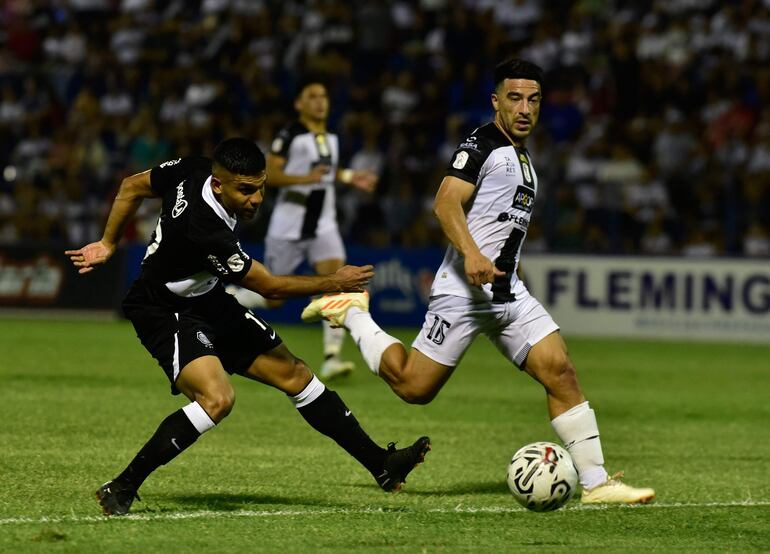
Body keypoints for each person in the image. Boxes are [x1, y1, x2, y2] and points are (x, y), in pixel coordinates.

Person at [301, 59, 655, 505]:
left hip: (508, 293)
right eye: (514, 98)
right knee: (414, 387)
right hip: (463, 294)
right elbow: (445, 202)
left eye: (533, 99)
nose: (524, 108)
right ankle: (352, 312)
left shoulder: (523, 156)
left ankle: (596, 483)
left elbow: (502, 229)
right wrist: (470, 253)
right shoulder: (482, 143)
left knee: (561, 372)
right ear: (496, 102)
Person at [65, 138, 429, 516]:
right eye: (246, 190)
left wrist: (108, 243)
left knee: (296, 374)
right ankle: (122, 486)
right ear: (219, 184)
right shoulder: (204, 227)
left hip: (206, 299)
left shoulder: (193, 167)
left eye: (260, 187)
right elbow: (268, 286)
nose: (256, 199)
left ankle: (381, 466)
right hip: (164, 308)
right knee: (216, 399)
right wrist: (333, 282)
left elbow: (131, 186)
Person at [228, 78, 378, 381]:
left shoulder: (331, 138)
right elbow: (269, 174)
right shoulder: (290, 135)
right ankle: (228, 295)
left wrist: (349, 177)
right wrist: (304, 179)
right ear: (299, 104)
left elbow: (324, 171)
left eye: (323, 95)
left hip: (323, 225)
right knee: (273, 297)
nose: (320, 101)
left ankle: (332, 357)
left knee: (339, 283)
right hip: (289, 226)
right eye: (312, 96)